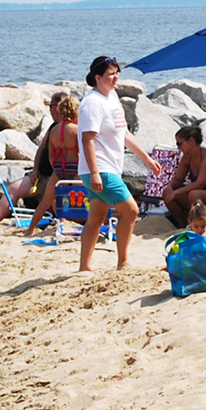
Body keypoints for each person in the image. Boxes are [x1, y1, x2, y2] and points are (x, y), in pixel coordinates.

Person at [76, 55, 161, 272]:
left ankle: (84, 267)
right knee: (131, 211)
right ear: (97, 77)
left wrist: (147, 159)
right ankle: (123, 262)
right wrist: (94, 173)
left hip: (108, 168)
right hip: (100, 169)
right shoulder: (92, 102)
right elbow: (87, 139)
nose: (116, 78)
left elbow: (124, 133)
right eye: (110, 74)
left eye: (117, 73)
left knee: (95, 218)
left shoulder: (112, 97)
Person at [0, 91, 71, 229]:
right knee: (14, 188)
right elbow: (40, 151)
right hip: (41, 177)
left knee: (57, 200)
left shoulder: (68, 129)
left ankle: (62, 226)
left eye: (51, 106)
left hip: (57, 178)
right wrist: (35, 170)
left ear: (57, 107)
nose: (49, 110)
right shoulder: (52, 127)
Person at [24, 94, 80, 234]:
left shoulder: (54, 130)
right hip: (75, 168)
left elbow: (51, 155)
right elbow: (82, 153)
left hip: (59, 169)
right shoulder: (76, 130)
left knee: (45, 202)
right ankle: (100, 224)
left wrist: (56, 169)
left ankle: (30, 229)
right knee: (91, 197)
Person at [163, 126, 206, 226]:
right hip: (199, 192)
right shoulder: (187, 158)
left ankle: (201, 224)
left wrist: (176, 192)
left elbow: (200, 184)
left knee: (193, 194)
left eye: (179, 143)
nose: (178, 147)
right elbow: (178, 179)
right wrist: (170, 187)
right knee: (167, 193)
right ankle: (184, 225)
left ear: (191, 140)